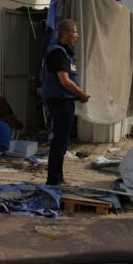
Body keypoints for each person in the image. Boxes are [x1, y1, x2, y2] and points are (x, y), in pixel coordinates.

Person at [41, 19, 90, 185]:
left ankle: (58, 177)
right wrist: (81, 94)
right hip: (60, 101)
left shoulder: (64, 53)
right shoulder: (58, 53)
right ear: (66, 34)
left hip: (64, 101)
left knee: (62, 142)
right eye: (75, 32)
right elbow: (65, 81)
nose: (77, 36)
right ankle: (54, 179)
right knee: (59, 142)